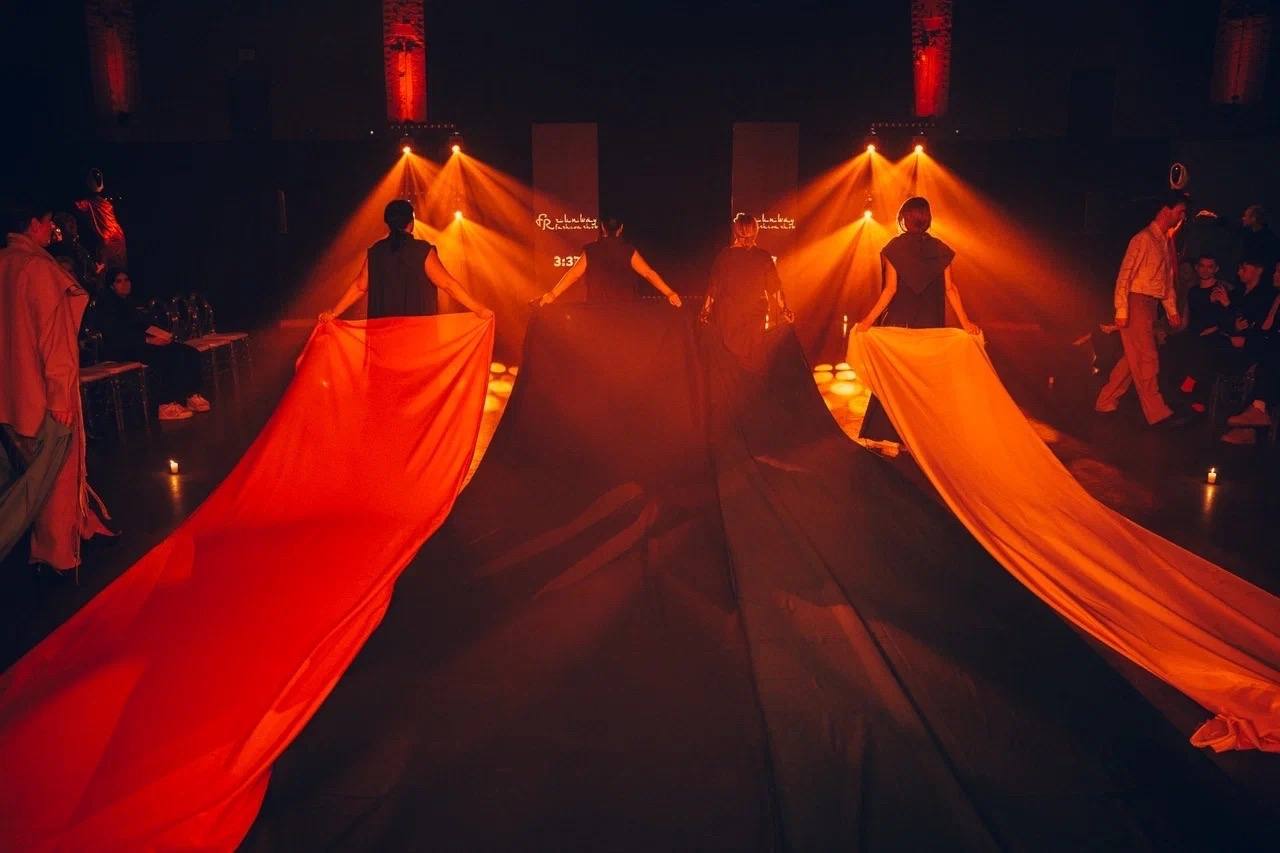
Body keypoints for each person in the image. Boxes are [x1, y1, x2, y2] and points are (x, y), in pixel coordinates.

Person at [0, 198, 111, 572]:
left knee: (27, 473)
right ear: (33, 224)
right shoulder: (38, 268)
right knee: (54, 477)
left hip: (10, 396)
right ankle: (55, 554)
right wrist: (61, 395)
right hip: (41, 394)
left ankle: (77, 528)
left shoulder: (5, 263)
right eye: (48, 222)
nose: (52, 229)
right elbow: (55, 338)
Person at [853, 196, 977, 449]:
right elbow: (950, 289)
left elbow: (890, 290)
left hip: (900, 324)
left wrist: (867, 321)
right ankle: (918, 438)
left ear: (903, 219)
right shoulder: (941, 249)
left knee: (895, 382)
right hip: (930, 325)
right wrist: (966, 323)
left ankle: (897, 436)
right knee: (924, 382)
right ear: (927, 219)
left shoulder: (894, 248)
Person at [1094, 192, 1190, 427]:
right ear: (1166, 210)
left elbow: (1165, 281)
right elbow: (1124, 275)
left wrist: (1171, 310)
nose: (1182, 217)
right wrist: (1122, 309)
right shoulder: (1143, 239)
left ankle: (1106, 400)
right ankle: (1157, 413)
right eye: (1180, 211)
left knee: (1133, 358)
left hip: (1150, 305)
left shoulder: (1163, 242)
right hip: (1136, 302)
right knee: (1147, 357)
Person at [322, 199, 492, 322]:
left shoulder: (376, 252)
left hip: (382, 338)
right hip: (416, 337)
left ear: (388, 223)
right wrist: (478, 309)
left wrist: (333, 313)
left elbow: (359, 286)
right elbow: (448, 284)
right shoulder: (422, 251)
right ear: (411, 222)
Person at [92, 268, 210, 421]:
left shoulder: (130, 303)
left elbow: (145, 325)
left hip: (142, 342)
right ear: (112, 286)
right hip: (124, 347)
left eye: (127, 280)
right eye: (119, 281)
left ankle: (191, 394)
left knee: (189, 352)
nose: (125, 284)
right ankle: (166, 404)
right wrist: (148, 340)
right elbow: (116, 333)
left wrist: (161, 335)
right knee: (166, 356)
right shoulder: (108, 306)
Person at [699, 212, 790, 371]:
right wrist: (785, 310)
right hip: (754, 320)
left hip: (729, 319)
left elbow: (714, 288)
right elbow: (774, 288)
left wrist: (704, 312)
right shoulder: (763, 257)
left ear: (736, 231)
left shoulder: (724, 257)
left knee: (730, 365)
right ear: (755, 232)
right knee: (752, 362)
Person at [537, 216, 682, 307]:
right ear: (621, 228)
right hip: (625, 310)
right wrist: (670, 293)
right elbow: (648, 273)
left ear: (602, 227)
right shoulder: (628, 250)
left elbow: (574, 274)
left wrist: (552, 294)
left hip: (597, 309)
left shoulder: (591, 250)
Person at [1218, 257, 1280, 444]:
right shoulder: (1274, 298)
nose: (1275, 275)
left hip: (1268, 351)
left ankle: (1258, 410)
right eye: (1276, 270)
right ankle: (1249, 428)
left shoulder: (1261, 296)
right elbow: (1261, 329)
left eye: (1279, 272)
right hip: (1260, 347)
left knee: (1269, 359)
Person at [73, 167, 128, 270]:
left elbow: (76, 207)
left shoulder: (90, 202)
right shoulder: (105, 202)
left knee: (106, 270)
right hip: (117, 237)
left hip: (108, 240)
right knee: (116, 269)